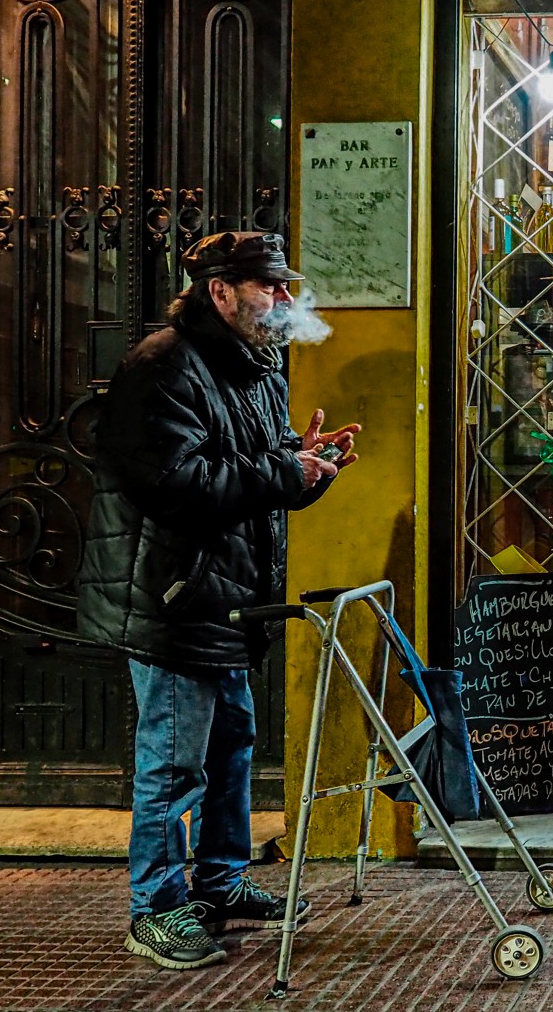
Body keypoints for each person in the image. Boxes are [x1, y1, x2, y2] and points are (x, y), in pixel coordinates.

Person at [77, 231, 361, 971]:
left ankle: (222, 884)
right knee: (174, 762)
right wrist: (280, 469)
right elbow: (173, 485)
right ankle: (157, 910)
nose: (284, 301)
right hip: (173, 597)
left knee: (233, 747)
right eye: (268, 287)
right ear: (220, 291)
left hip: (227, 598)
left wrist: (308, 469)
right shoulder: (163, 365)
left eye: (285, 286)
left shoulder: (257, 367)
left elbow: (255, 477)